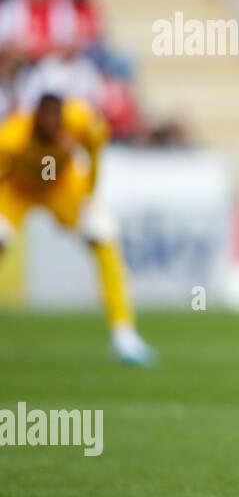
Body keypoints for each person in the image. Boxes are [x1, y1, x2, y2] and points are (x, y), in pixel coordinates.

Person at [0, 92, 153, 365]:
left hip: (62, 186)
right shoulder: (11, 137)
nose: (52, 124)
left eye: (56, 119)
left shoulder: (82, 121)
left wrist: (89, 197)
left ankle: (124, 334)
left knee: (103, 235)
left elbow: (95, 154)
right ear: (35, 118)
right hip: (18, 190)